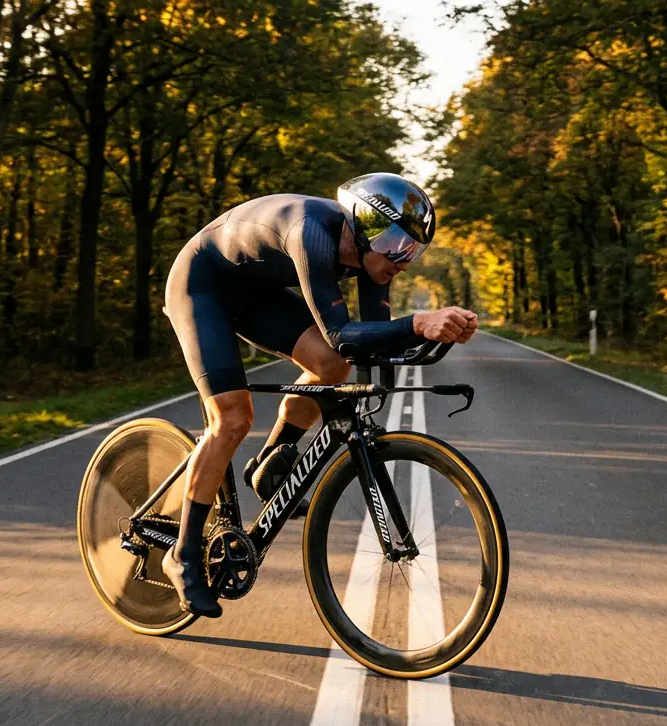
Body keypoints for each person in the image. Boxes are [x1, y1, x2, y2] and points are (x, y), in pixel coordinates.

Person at [161, 172, 479, 617]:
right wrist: (418, 323)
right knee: (232, 419)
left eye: (412, 249)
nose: (402, 259)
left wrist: (435, 334)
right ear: (362, 226)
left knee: (332, 366)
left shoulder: (376, 258)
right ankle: (183, 554)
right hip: (202, 285)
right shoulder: (310, 232)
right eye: (395, 244)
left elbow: (368, 344)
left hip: (257, 294)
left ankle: (270, 463)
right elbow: (342, 334)